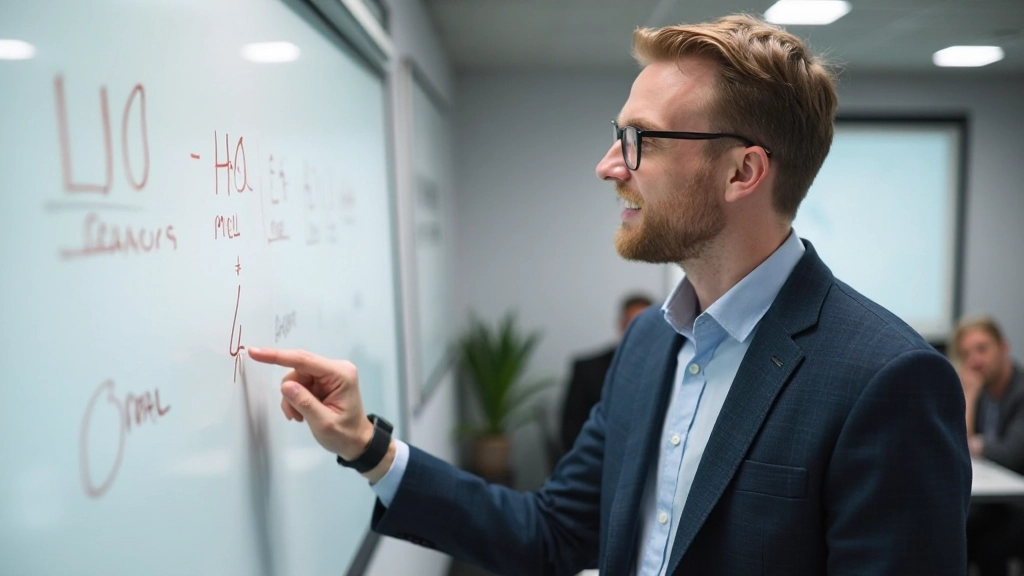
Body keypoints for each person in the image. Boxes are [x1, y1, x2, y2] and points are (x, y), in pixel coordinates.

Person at [249, 14, 971, 575]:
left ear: (743, 171)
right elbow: (551, 536)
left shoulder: (886, 380)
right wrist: (367, 446)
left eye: (641, 141)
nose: (607, 167)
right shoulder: (650, 346)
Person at [954, 315, 1024, 576]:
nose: (975, 361)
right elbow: (963, 446)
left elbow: (1012, 455)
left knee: (979, 538)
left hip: (1017, 505)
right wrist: (969, 397)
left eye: (982, 349)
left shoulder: (1020, 392)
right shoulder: (983, 392)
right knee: (957, 525)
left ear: (1003, 348)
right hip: (996, 504)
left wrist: (978, 444)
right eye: (966, 354)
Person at [560, 293, 653, 452]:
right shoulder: (588, 369)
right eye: (634, 324)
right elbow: (571, 429)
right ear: (622, 325)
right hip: (598, 460)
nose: (642, 333)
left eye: (649, 327)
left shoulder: (667, 368)